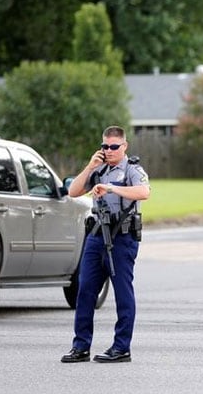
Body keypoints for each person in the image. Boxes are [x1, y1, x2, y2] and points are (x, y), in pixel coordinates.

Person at [61, 125, 150, 363]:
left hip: (122, 236)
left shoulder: (132, 169)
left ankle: (122, 347)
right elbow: (73, 191)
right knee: (85, 290)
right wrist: (90, 166)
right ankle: (80, 347)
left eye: (113, 147)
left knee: (122, 292)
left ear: (124, 146)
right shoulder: (98, 169)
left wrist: (111, 188)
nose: (108, 151)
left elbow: (144, 192)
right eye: (105, 146)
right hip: (97, 235)